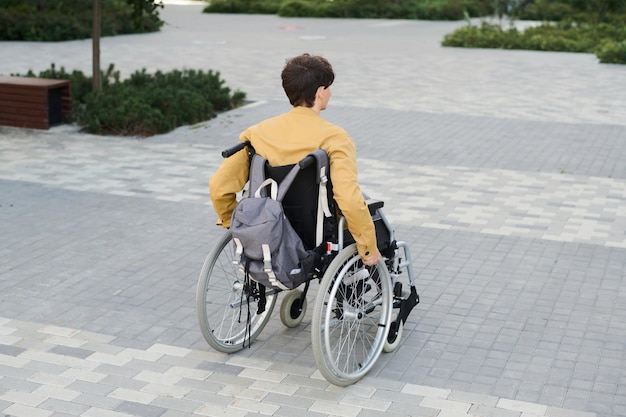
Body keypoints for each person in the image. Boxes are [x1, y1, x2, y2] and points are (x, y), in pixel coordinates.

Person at [209, 53, 381, 266]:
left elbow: (219, 187)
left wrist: (234, 222)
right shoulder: (335, 138)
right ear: (320, 93)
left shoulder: (257, 133)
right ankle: (359, 278)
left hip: (267, 230)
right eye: (328, 87)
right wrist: (368, 249)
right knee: (375, 224)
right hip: (317, 236)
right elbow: (348, 197)